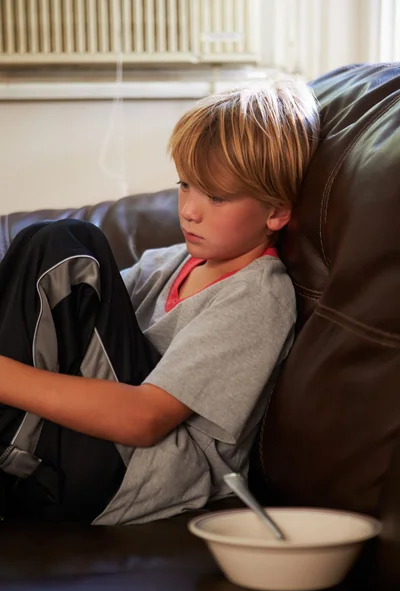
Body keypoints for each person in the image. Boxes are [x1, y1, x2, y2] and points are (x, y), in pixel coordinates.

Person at [0, 79, 320, 525]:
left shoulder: (258, 297)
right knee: (42, 245)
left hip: (130, 474)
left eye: (216, 196)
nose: (189, 210)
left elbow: (145, 419)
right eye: (185, 185)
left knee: (69, 246)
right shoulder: (167, 264)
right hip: (81, 448)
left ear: (276, 212)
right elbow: (74, 325)